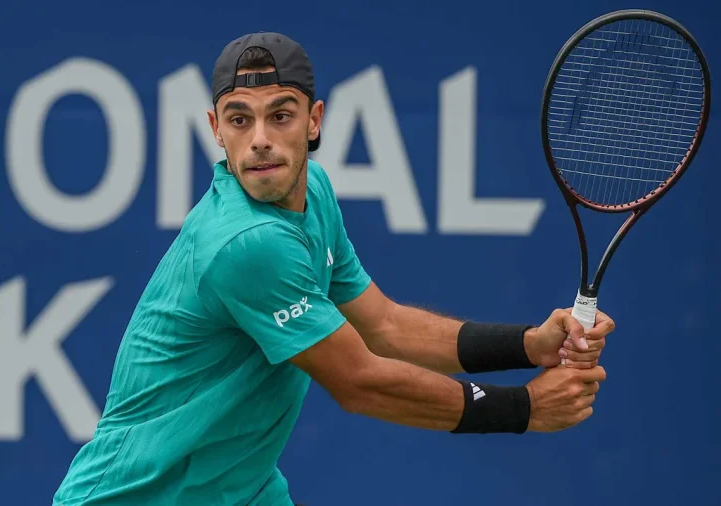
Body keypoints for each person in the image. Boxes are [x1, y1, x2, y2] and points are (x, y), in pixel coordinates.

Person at [52, 32, 615, 506]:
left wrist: (529, 346)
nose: (261, 140)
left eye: (280, 115)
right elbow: (360, 382)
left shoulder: (313, 192)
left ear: (314, 122)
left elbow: (385, 325)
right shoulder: (247, 243)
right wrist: (527, 408)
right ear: (215, 130)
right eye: (239, 120)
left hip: (237, 489)